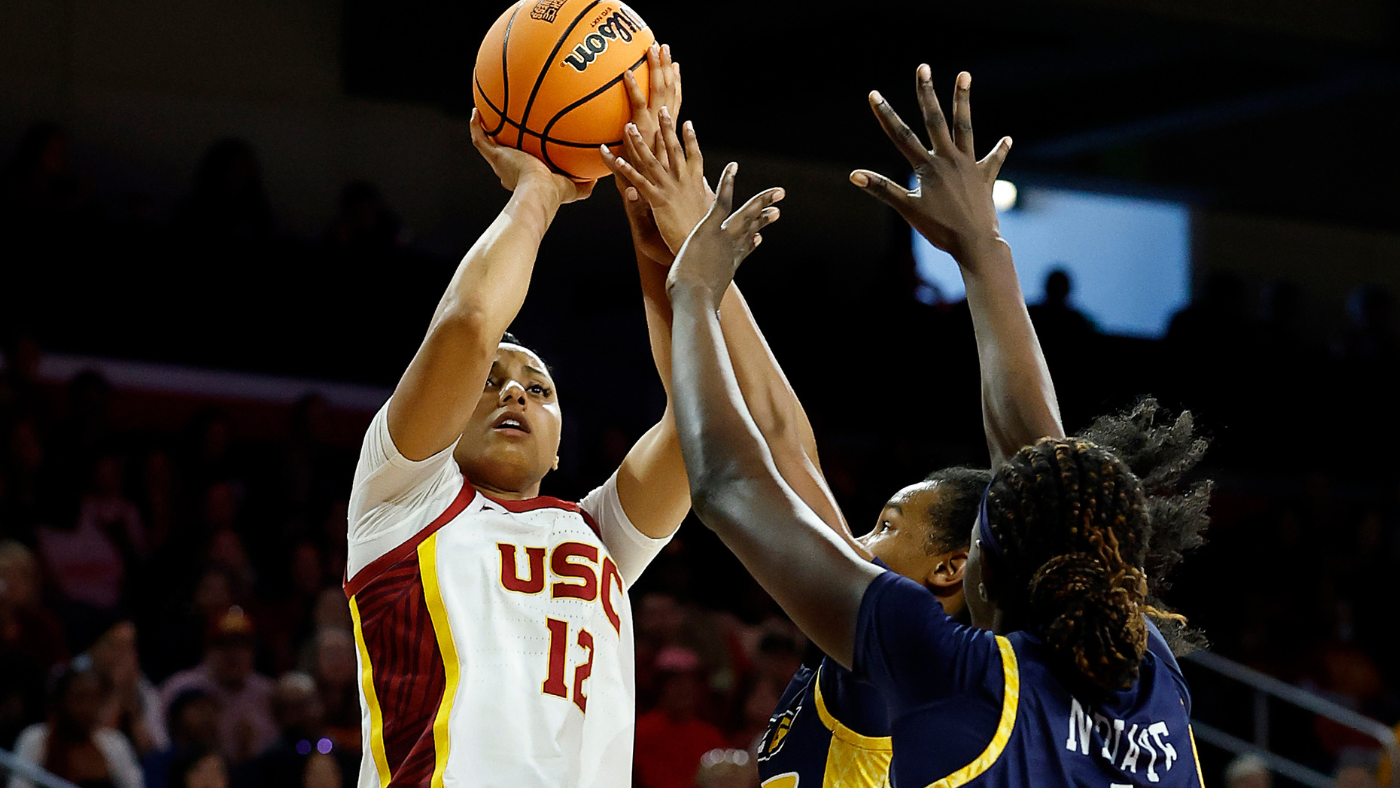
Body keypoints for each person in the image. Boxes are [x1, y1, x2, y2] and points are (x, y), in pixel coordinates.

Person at [663, 68, 1209, 787]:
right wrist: (983, 251)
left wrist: (694, 293)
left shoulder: (952, 667)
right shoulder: (1154, 679)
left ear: (971, 567)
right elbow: (1040, 463)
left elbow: (734, 481)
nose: (857, 541)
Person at [343, 43, 814, 788]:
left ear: (563, 447)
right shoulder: (397, 500)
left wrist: (650, 216)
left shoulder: (593, 535)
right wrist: (539, 186)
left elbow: (709, 421)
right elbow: (467, 324)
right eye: (494, 381)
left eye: (539, 388)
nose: (515, 393)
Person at [159, 608, 277, 766]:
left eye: (240, 645)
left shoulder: (269, 693)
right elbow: (159, 740)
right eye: (223, 644)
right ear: (208, 649)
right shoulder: (180, 686)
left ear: (252, 651)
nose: (233, 654)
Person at [9, 664, 144, 788]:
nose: (87, 709)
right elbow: (19, 784)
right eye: (80, 699)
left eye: (93, 699)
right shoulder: (36, 739)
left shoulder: (114, 743)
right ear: (59, 702)